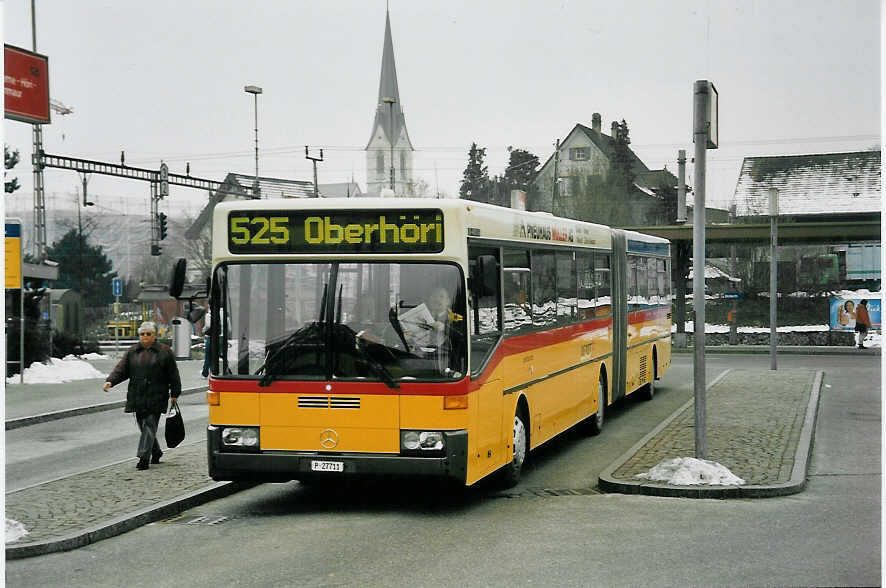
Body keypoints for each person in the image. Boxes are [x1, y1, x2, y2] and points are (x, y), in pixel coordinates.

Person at [103, 321, 182, 470]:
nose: (145, 337)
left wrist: (175, 393)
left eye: (148, 334)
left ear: (154, 335)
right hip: (137, 395)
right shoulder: (132, 351)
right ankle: (156, 451)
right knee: (143, 426)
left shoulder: (164, 351)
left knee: (150, 424)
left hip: (157, 395)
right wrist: (110, 381)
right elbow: (121, 369)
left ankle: (143, 458)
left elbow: (173, 374)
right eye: (142, 334)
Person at [201, 308, 212, 377]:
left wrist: (203, 330)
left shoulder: (209, 315)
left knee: (208, 356)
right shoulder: (226, 314)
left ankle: (205, 373)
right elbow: (229, 329)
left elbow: (208, 326)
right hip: (221, 337)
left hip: (210, 337)